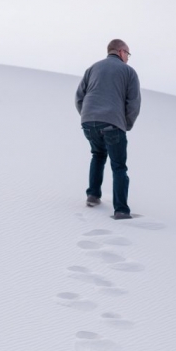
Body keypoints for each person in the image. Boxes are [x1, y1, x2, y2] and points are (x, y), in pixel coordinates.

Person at [75, 39, 141, 219]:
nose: (128, 57)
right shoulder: (128, 72)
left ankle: (93, 195)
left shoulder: (92, 69)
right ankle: (121, 210)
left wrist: (87, 116)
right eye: (128, 53)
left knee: (98, 154)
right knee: (119, 165)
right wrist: (125, 123)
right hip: (113, 123)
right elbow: (134, 103)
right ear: (120, 52)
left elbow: (79, 97)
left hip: (88, 122)